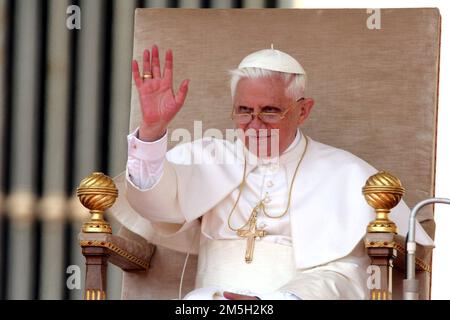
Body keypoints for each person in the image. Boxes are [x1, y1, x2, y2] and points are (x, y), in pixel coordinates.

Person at [116, 44, 433, 300]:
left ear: (303, 110)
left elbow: (362, 271)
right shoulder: (207, 155)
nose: (254, 125)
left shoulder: (347, 172)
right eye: (244, 111)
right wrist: (152, 131)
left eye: (269, 111)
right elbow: (151, 203)